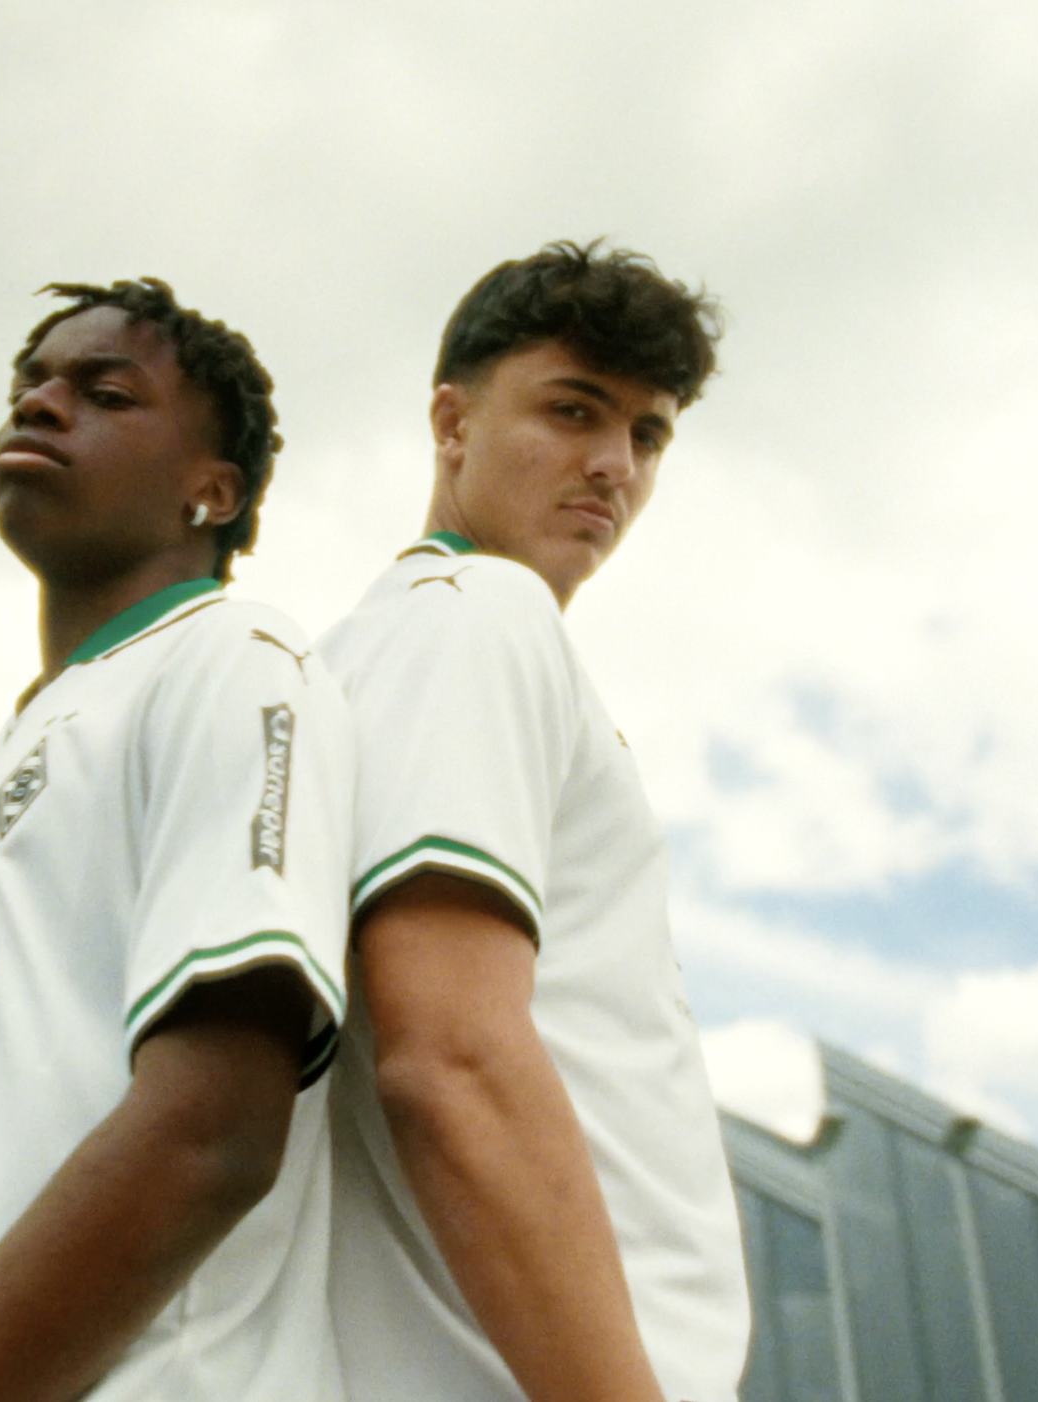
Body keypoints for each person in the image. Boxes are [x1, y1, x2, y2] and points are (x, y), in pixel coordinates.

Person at [0, 279, 352, 1402]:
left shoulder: (234, 661)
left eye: (103, 391)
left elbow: (213, 1132)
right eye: (31, 384)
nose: (42, 404)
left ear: (213, 490)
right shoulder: (22, 746)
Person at [318, 241, 750, 1402]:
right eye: (572, 411)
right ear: (450, 422)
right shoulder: (475, 617)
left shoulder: (382, 649)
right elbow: (449, 1057)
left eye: (647, 435)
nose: (613, 465)